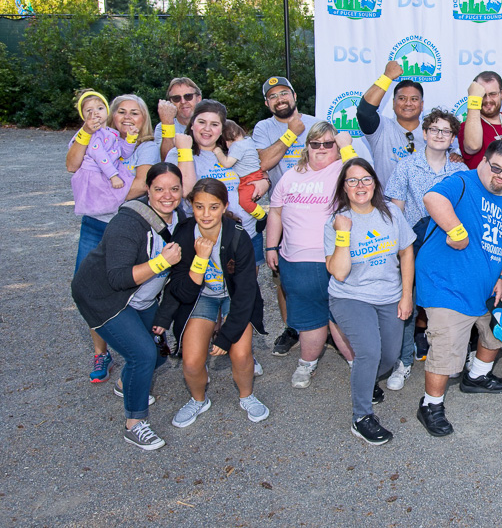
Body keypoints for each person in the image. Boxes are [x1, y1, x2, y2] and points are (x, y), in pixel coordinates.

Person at [71, 163, 187, 450]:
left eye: (174, 188)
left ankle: (126, 385)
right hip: (104, 297)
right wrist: (162, 262)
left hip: (141, 298)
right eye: (159, 189)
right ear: (147, 189)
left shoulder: (180, 217)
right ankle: (134, 424)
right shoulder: (127, 223)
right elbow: (118, 277)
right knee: (143, 354)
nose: (167, 196)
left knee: (160, 355)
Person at [414, 140, 502, 437]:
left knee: (500, 330)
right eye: (496, 168)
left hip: (485, 285)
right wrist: (456, 231)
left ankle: (477, 377)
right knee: (446, 351)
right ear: (483, 162)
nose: (501, 176)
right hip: (447, 284)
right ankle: (430, 405)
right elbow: (432, 198)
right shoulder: (462, 181)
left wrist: (500, 277)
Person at [152, 178, 270, 428]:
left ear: (225, 206)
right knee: (192, 360)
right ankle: (198, 399)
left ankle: (247, 395)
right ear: (191, 206)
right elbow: (179, 289)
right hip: (201, 295)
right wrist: (200, 259)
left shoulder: (238, 237)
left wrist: (226, 335)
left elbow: (246, 293)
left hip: (233, 296)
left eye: (214, 207)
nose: (206, 214)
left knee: (241, 353)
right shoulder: (184, 233)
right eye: (199, 207)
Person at [66, 92, 159, 382]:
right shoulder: (93, 136)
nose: (128, 118)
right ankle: (101, 351)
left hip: (129, 225)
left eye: (135, 113)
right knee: (91, 287)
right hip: (95, 224)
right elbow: (71, 165)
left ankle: (144, 346)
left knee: (139, 285)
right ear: (110, 114)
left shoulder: (145, 147)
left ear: (144, 119)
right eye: (121, 112)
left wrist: (101, 200)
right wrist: (84, 131)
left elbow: (143, 185)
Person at [326, 158, 415, 445]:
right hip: (350, 296)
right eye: (352, 180)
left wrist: (406, 295)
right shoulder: (336, 221)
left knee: (389, 357)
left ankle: (364, 381)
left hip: (389, 295)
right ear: (344, 187)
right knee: (369, 352)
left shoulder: (391, 213)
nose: (360, 185)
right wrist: (343, 233)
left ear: (375, 182)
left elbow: (406, 253)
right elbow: (339, 272)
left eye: (366, 179)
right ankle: (361, 417)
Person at [265, 123, 355, 389]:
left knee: (341, 318)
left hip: (333, 260)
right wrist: (271, 247)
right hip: (295, 262)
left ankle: (358, 366)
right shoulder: (291, 175)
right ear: (307, 147)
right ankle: (307, 363)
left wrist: (347, 145)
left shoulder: (343, 170)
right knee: (309, 320)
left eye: (329, 144)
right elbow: (276, 211)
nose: (321, 149)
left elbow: (358, 178)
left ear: (337, 148)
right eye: (315, 144)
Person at [384, 108, 467, 390]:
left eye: (446, 131)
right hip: (414, 244)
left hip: (447, 245)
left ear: (453, 137)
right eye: (434, 130)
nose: (439, 135)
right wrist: (399, 247)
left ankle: (447, 359)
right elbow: (396, 210)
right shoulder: (406, 165)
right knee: (408, 302)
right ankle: (404, 361)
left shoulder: (460, 169)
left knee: (446, 304)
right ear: (424, 133)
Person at [251, 76, 318, 357]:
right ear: (268, 103)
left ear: (294, 96)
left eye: (284, 93)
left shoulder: (315, 123)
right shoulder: (263, 128)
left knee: (319, 271)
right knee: (283, 276)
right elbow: (263, 162)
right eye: (273, 96)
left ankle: (320, 325)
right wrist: (290, 134)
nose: (280, 99)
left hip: (317, 211)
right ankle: (292, 327)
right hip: (283, 213)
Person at [166, 100, 261, 266]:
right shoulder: (179, 153)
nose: (207, 129)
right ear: (192, 123)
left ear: (222, 128)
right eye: (201, 122)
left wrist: (263, 182)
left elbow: (255, 172)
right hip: (204, 239)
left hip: (247, 232)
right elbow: (188, 192)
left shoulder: (231, 151)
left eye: (214, 124)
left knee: (245, 288)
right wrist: (185, 151)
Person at [70, 90, 138, 218]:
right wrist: (113, 176)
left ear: (107, 111)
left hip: (107, 170)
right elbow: (100, 157)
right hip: (95, 174)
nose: (95, 113)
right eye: (89, 110)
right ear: (83, 117)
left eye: (100, 108)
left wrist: (130, 139)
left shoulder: (111, 133)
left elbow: (123, 153)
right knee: (105, 200)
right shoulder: (93, 135)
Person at [357, 61, 426, 185]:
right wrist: (387, 77)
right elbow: (364, 112)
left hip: (424, 203)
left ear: (422, 105)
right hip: (387, 203)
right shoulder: (382, 128)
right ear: (393, 103)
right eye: (402, 98)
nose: (408, 103)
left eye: (414, 99)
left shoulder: (434, 131)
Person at [213, 120, 268, 229]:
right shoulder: (248, 141)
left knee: (244, 201)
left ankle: (261, 215)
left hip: (249, 177)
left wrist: (218, 151)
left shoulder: (237, 146)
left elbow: (227, 163)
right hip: (253, 175)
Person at [458, 71, 502, 169]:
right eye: (482, 95)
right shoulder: (467, 127)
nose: (488, 100)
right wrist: (473, 99)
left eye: (493, 94)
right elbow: (473, 146)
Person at [155, 77, 203, 160]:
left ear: (198, 99)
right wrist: (168, 124)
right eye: (176, 98)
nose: (183, 102)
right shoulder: (162, 127)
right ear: (170, 102)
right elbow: (165, 160)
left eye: (188, 96)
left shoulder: (212, 124)